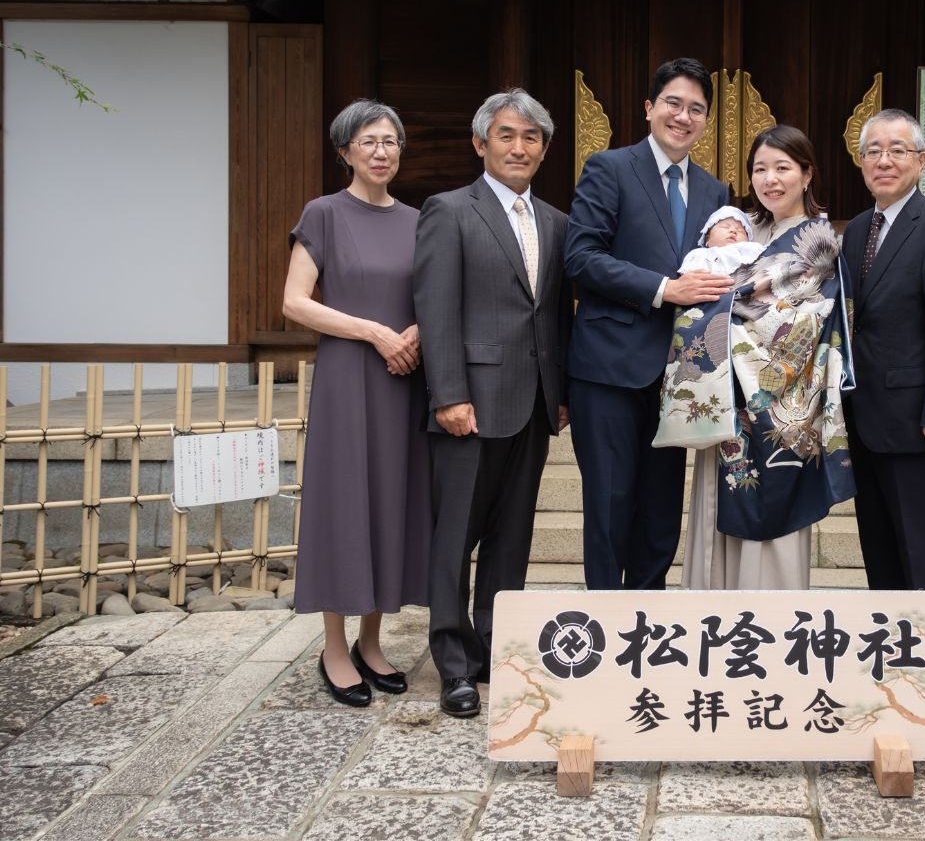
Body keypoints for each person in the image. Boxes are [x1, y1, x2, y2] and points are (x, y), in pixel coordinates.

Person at [412, 89, 571, 719]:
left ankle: (495, 651)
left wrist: (559, 394)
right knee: (455, 536)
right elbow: (436, 306)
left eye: (531, 137)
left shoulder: (558, 221)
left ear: (544, 148)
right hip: (470, 401)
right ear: (481, 144)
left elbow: (554, 314)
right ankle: (453, 663)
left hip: (533, 402)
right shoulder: (449, 211)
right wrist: (448, 393)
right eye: (506, 135)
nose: (519, 147)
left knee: (512, 535)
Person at [282, 99, 431, 708]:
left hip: (404, 376)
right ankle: (335, 647)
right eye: (368, 141)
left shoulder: (421, 219)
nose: (381, 151)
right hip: (350, 374)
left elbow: (433, 295)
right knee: (345, 502)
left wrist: (416, 332)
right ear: (344, 150)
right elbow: (295, 301)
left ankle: (373, 642)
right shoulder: (323, 214)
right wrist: (374, 332)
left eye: (391, 140)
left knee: (390, 502)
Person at [565, 57, 731, 590]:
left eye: (696, 109)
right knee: (610, 504)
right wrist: (665, 289)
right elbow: (581, 256)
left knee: (661, 512)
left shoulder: (715, 191)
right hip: (609, 369)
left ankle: (645, 622)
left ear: (707, 120)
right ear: (649, 108)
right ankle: (602, 623)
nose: (683, 117)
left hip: (679, 378)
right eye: (673, 104)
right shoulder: (608, 168)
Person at [673, 125, 853, 590]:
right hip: (729, 397)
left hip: (776, 401)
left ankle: (766, 631)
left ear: (807, 174)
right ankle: (713, 624)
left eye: (783, 168)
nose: (770, 179)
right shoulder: (750, 231)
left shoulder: (817, 239)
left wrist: (706, 304)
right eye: (760, 169)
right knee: (721, 497)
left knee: (771, 506)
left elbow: (793, 320)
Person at [841, 108, 925, 592]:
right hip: (864, 415)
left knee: (922, 546)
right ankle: (892, 646)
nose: (884, 161)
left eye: (897, 150)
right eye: (873, 151)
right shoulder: (856, 230)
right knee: (878, 544)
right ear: (861, 163)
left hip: (918, 420)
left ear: (920, 161)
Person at [679, 205, 764, 275]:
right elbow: (687, 280)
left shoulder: (752, 249)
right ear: (707, 239)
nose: (733, 231)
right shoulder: (699, 255)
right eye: (725, 227)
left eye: (740, 230)